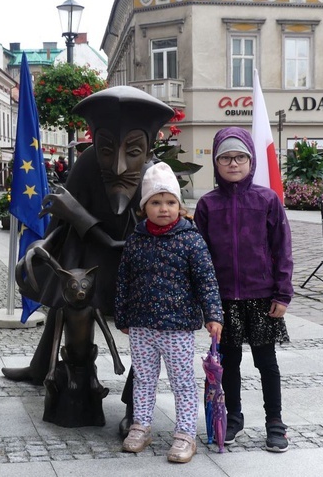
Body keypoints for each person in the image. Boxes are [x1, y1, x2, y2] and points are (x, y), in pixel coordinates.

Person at [3, 86, 175, 431]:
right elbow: (60, 225)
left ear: (149, 147)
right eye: (107, 150)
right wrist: (41, 249)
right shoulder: (86, 165)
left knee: (148, 322)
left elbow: (135, 244)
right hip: (90, 261)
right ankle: (73, 379)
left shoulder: (157, 178)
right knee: (74, 298)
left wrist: (80, 216)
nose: (119, 164)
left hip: (139, 266)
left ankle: (136, 409)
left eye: (134, 151)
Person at [115, 162, 223, 463]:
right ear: (144, 207)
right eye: (156, 202)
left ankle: (186, 433)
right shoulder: (136, 240)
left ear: (180, 205)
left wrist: (214, 314)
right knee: (144, 379)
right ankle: (141, 425)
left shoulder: (190, 239)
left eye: (170, 202)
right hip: (141, 326)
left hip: (177, 328)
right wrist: (122, 315)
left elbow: (206, 279)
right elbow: (124, 278)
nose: (164, 208)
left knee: (182, 381)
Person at [194, 126, 293, 453]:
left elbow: (282, 248)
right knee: (229, 362)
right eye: (226, 157)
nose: (233, 163)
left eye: (240, 157)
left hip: (262, 297)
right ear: (216, 162)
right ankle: (233, 416)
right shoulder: (207, 205)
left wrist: (282, 292)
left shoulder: (267, 200)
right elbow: (201, 255)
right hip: (224, 301)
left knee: (267, 362)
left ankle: (275, 422)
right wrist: (207, 302)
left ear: (250, 161)